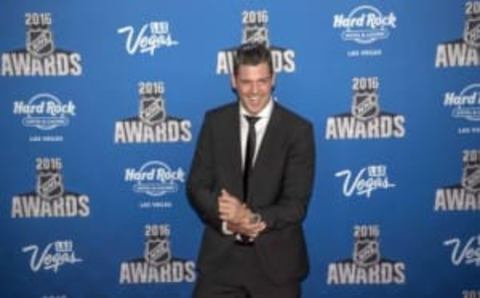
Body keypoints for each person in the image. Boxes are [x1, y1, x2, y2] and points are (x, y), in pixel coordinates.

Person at [187, 43, 315, 298]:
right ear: (233, 81)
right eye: (246, 82)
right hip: (221, 263)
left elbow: (296, 205)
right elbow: (196, 186)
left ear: (274, 79)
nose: (255, 91)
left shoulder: (298, 130)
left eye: (263, 81)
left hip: (277, 264)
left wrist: (250, 218)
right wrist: (230, 222)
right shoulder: (215, 122)